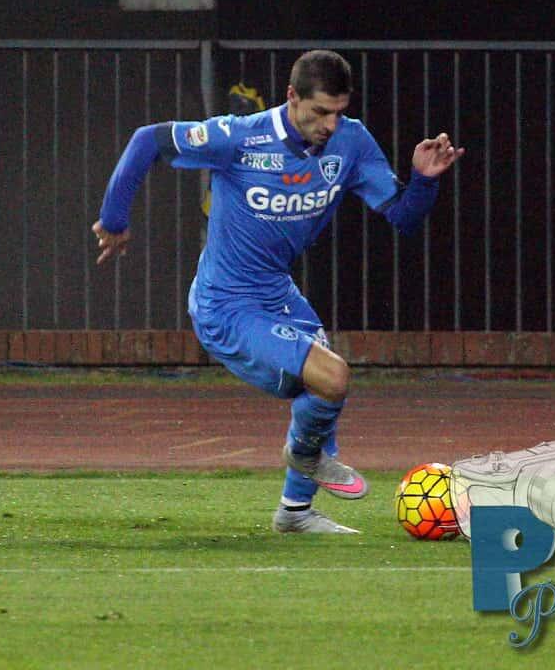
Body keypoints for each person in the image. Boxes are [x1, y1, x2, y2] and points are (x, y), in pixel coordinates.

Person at [93, 50, 463, 534]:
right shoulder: (240, 137)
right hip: (225, 304)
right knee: (332, 378)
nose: (330, 125)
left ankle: (294, 512)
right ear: (292, 97)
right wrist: (114, 221)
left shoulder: (351, 142)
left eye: (338, 112)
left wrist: (424, 181)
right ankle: (307, 456)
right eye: (320, 112)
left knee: (322, 388)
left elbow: (402, 216)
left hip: (278, 294)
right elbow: (147, 140)